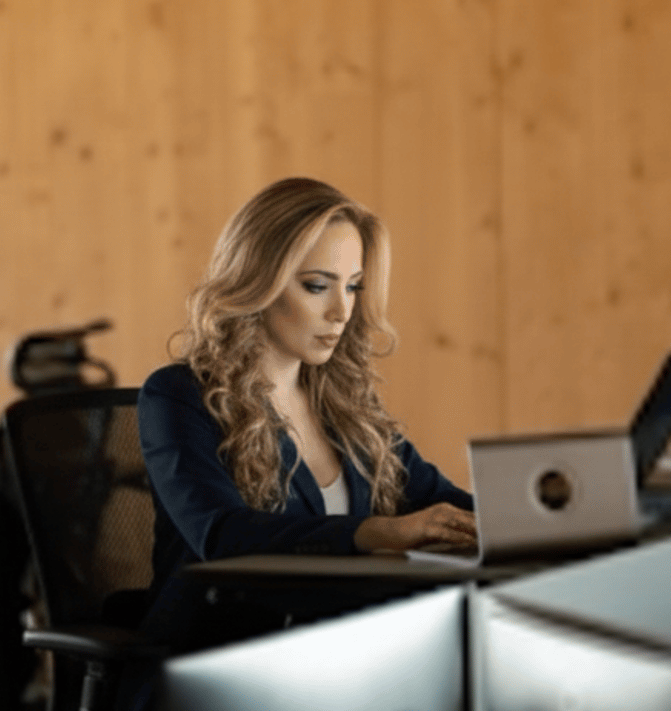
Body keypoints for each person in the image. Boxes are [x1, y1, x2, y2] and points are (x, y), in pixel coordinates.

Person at [138, 177, 478, 641]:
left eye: (354, 287)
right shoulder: (178, 396)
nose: (342, 311)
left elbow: (437, 502)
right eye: (317, 286)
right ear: (258, 282)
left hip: (334, 650)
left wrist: (546, 517)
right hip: (221, 662)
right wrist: (379, 532)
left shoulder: (346, 404)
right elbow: (224, 536)